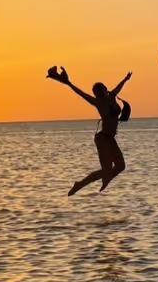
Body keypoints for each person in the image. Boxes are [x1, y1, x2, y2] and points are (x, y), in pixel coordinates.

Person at [47, 65, 132, 195]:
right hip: (102, 139)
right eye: (100, 91)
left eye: (104, 89)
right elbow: (80, 93)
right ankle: (80, 184)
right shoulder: (98, 102)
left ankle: (107, 179)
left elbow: (118, 88)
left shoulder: (111, 97)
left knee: (121, 166)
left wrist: (125, 79)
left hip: (110, 139)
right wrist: (69, 83)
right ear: (97, 94)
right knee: (106, 169)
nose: (105, 91)